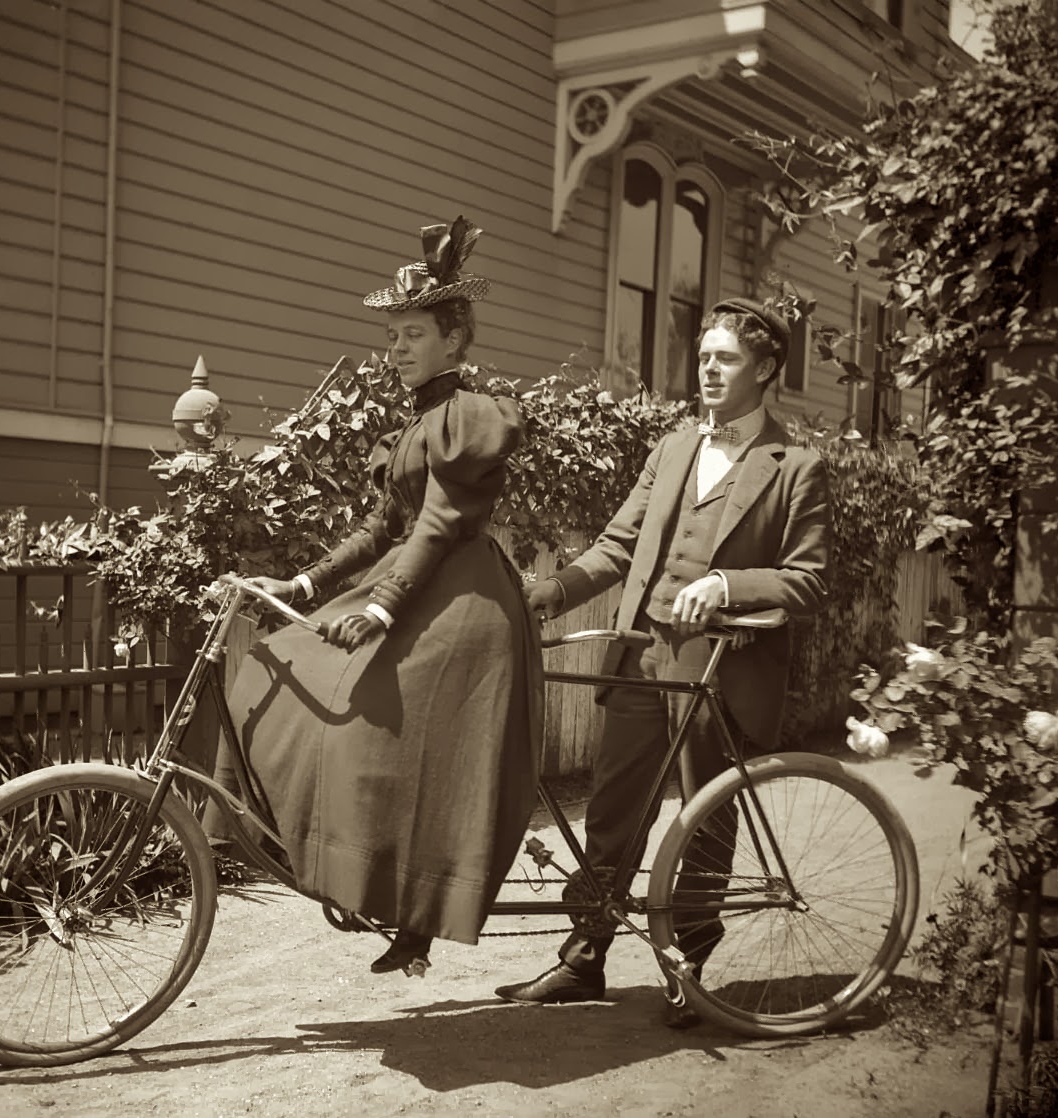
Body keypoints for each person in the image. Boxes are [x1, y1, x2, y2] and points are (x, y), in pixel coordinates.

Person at [210, 216, 544, 976]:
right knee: (275, 662)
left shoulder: (468, 416)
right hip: (417, 586)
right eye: (392, 335)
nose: (395, 348)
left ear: (454, 340)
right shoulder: (417, 423)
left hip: (463, 605)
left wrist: (381, 604)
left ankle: (412, 902)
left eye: (412, 333)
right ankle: (321, 860)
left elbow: (438, 521)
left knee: (378, 735)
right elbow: (379, 525)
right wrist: (301, 583)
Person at [492, 297, 831, 1026]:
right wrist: (549, 594)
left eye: (726, 358)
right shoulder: (673, 446)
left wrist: (724, 585)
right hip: (640, 656)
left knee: (704, 824)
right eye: (704, 356)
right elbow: (617, 546)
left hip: (719, 667)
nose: (708, 369)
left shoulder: (794, 466)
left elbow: (806, 581)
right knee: (614, 811)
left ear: (765, 369)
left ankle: (690, 970)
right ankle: (585, 958)